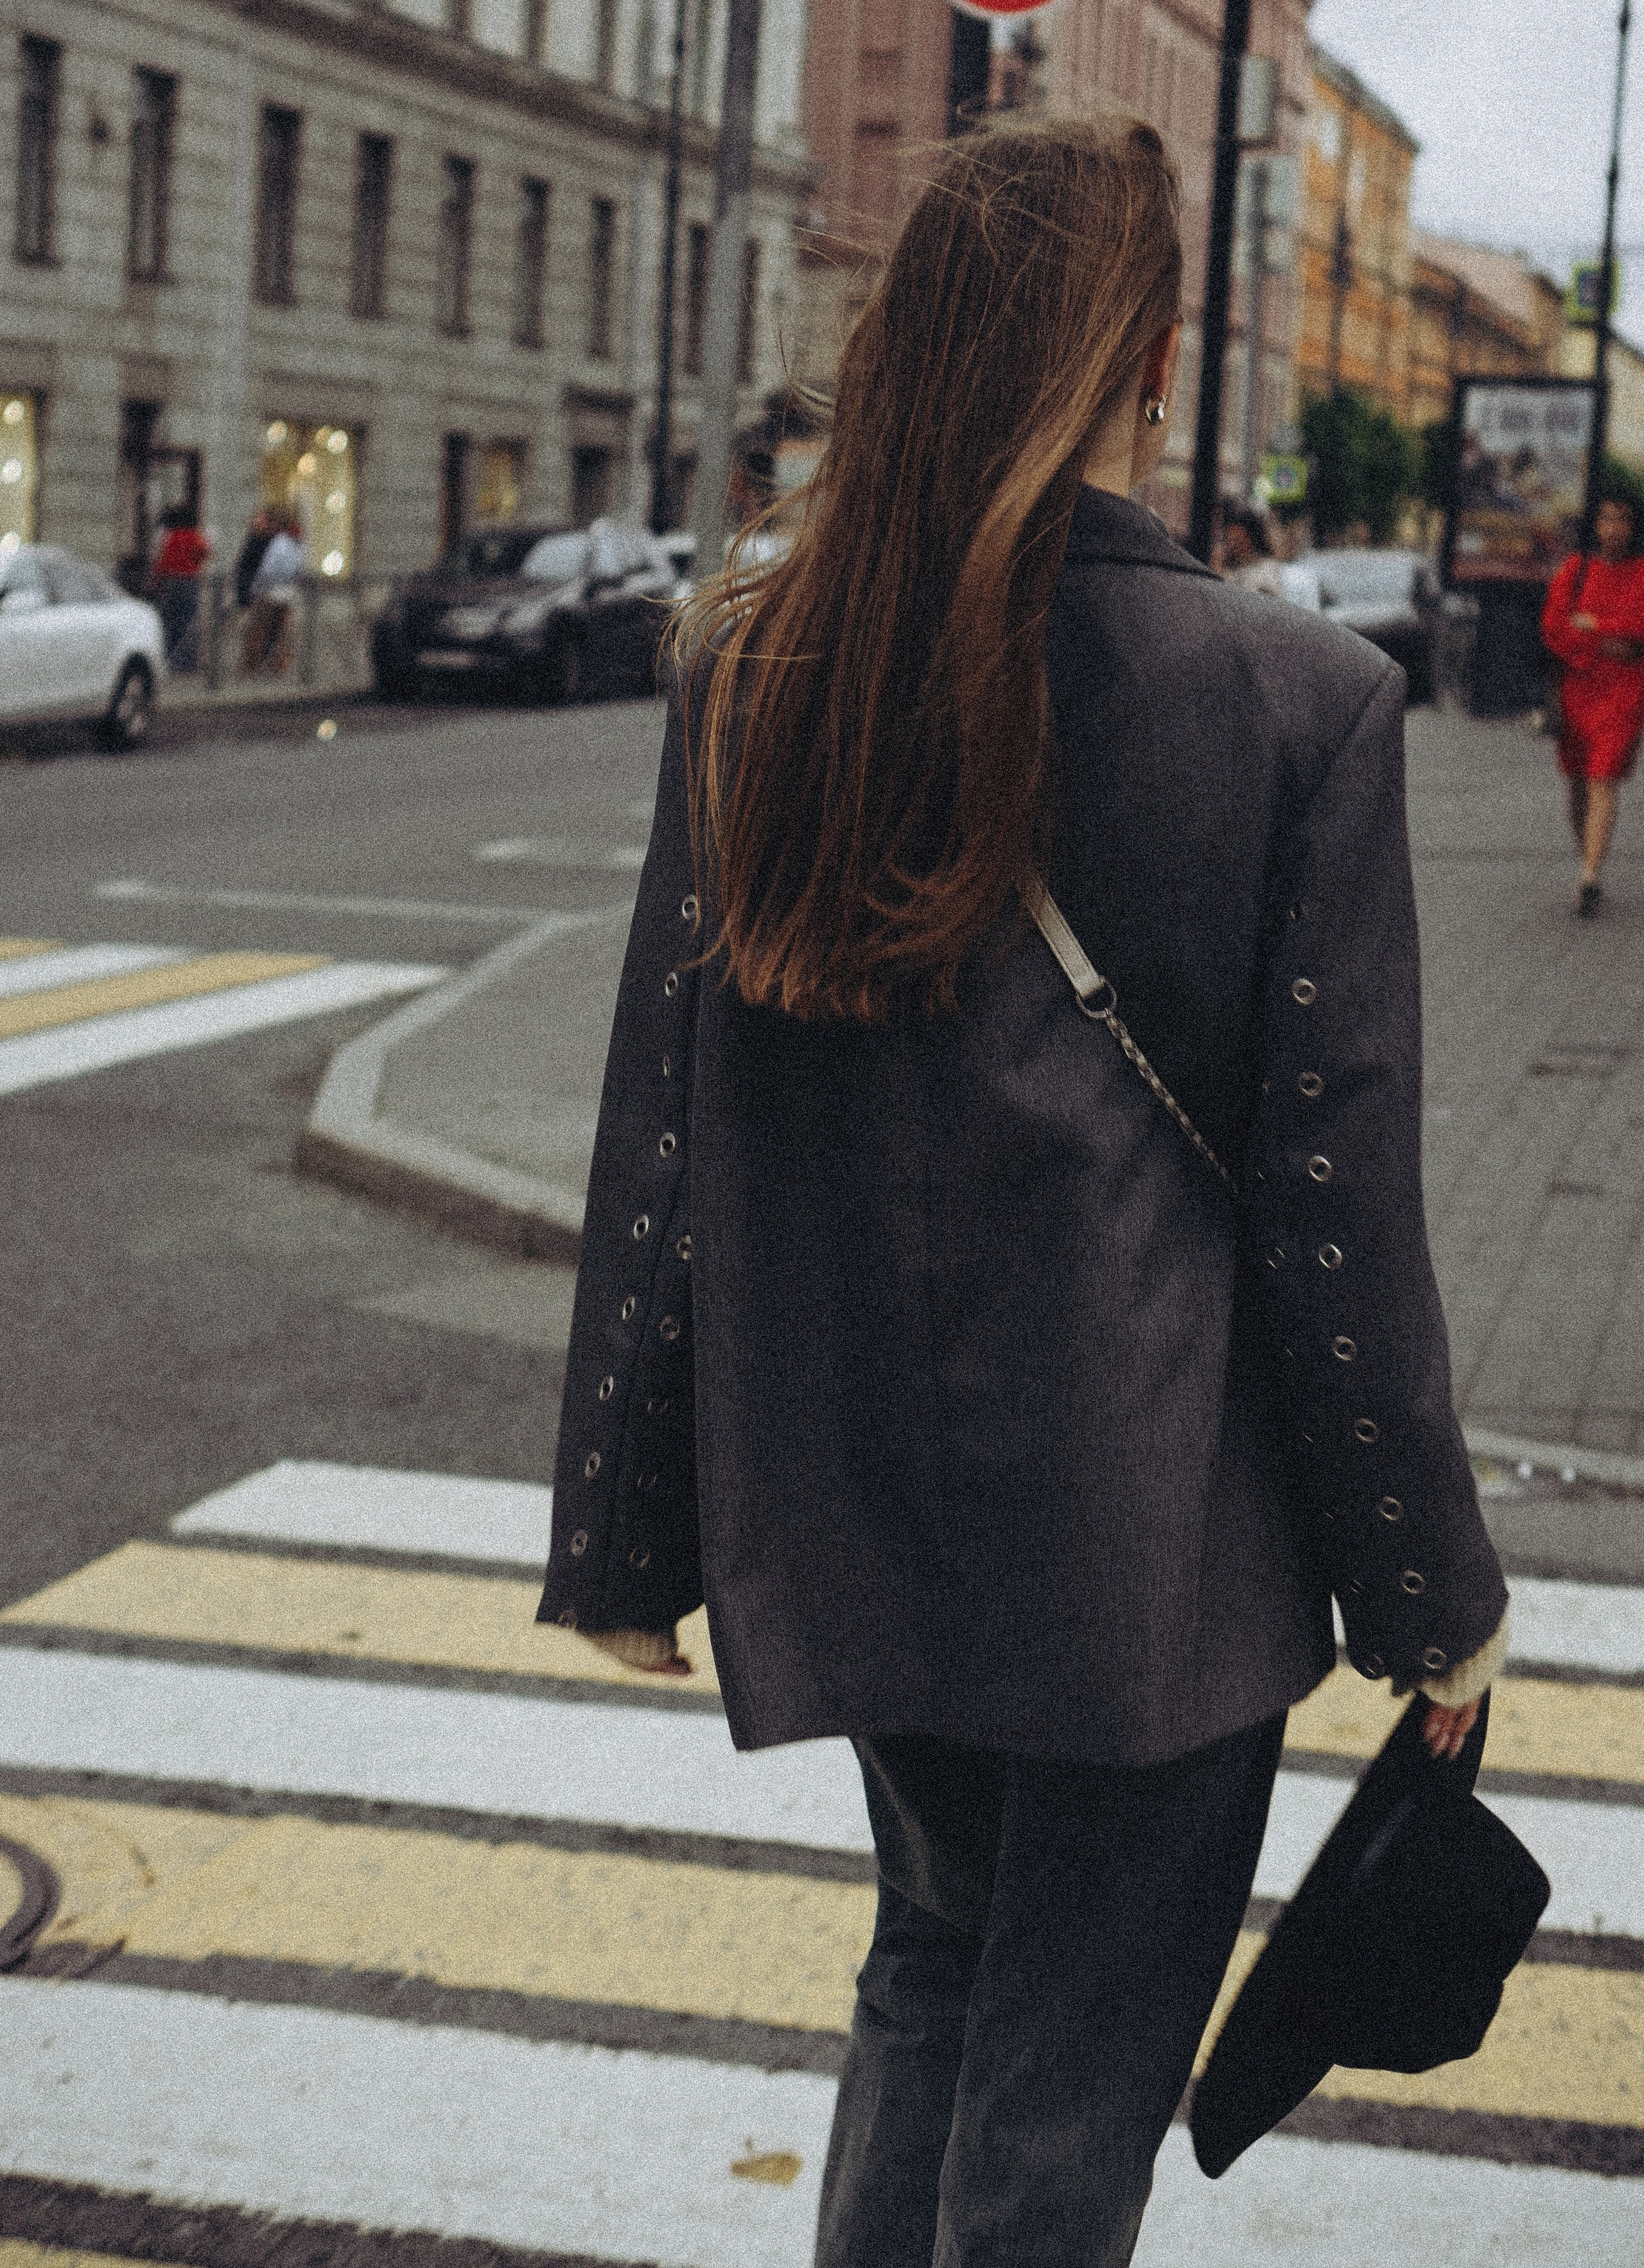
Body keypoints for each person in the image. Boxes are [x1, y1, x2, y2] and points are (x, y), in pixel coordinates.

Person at [539, 118, 1509, 2267]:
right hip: (1157, 1543)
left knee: (933, 1975)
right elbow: (1332, 1212)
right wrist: (1432, 1594)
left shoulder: (757, 662)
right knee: (1062, 2097)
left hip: (862, 1499)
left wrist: (625, 1523)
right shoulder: (1300, 702)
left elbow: (667, 1115)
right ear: (1143, 364)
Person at [1541, 488, 1644, 916]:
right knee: (1579, 780)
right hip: (1578, 689)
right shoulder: (1575, 570)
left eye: (1622, 519)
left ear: (1634, 525)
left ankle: (1589, 877)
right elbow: (1554, 626)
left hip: (1624, 690)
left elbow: (1638, 629)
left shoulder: (1641, 573)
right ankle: (1589, 856)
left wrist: (1593, 625)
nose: (1613, 528)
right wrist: (1606, 641)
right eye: (1605, 518)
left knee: (1604, 774)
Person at [149, 505, 211, 671]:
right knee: (190, 622)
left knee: (170, 622)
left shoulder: (169, 536)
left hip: (171, 581)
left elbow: (160, 562)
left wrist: (156, 581)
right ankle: (188, 663)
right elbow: (205, 553)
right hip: (191, 582)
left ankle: (170, 660)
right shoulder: (195, 536)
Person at [243, 512, 303, 675]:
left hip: (270, 594)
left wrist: (257, 589)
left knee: (258, 630)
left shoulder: (278, 543)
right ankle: (278, 665)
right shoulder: (297, 545)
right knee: (280, 633)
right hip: (287, 594)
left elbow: (268, 570)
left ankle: (252, 666)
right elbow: (299, 571)